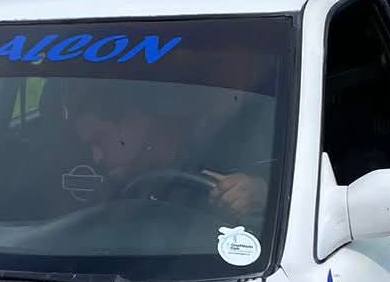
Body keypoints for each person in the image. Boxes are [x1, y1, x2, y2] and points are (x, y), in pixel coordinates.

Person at [63, 77, 269, 216]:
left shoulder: (223, 152)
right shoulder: (105, 184)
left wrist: (259, 193)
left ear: (134, 121)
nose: (96, 157)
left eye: (99, 140)